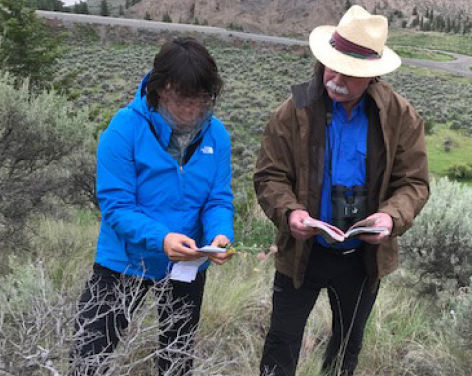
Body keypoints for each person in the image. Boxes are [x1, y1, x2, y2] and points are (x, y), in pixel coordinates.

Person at [254, 5, 429, 376]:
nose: (336, 77)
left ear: (372, 76)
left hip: (363, 257)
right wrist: (291, 213)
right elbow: (270, 176)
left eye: (351, 74)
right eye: (332, 65)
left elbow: (413, 183)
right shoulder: (293, 110)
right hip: (302, 251)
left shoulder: (400, 116)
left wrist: (390, 216)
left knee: (347, 346)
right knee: (281, 343)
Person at [70, 37, 234, 376]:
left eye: (202, 100)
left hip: (187, 263)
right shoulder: (124, 128)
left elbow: (218, 199)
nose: (191, 111)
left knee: (176, 359)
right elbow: (117, 207)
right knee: (89, 356)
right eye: (182, 100)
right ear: (160, 89)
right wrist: (162, 239)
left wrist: (220, 234)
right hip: (123, 262)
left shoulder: (216, 135)